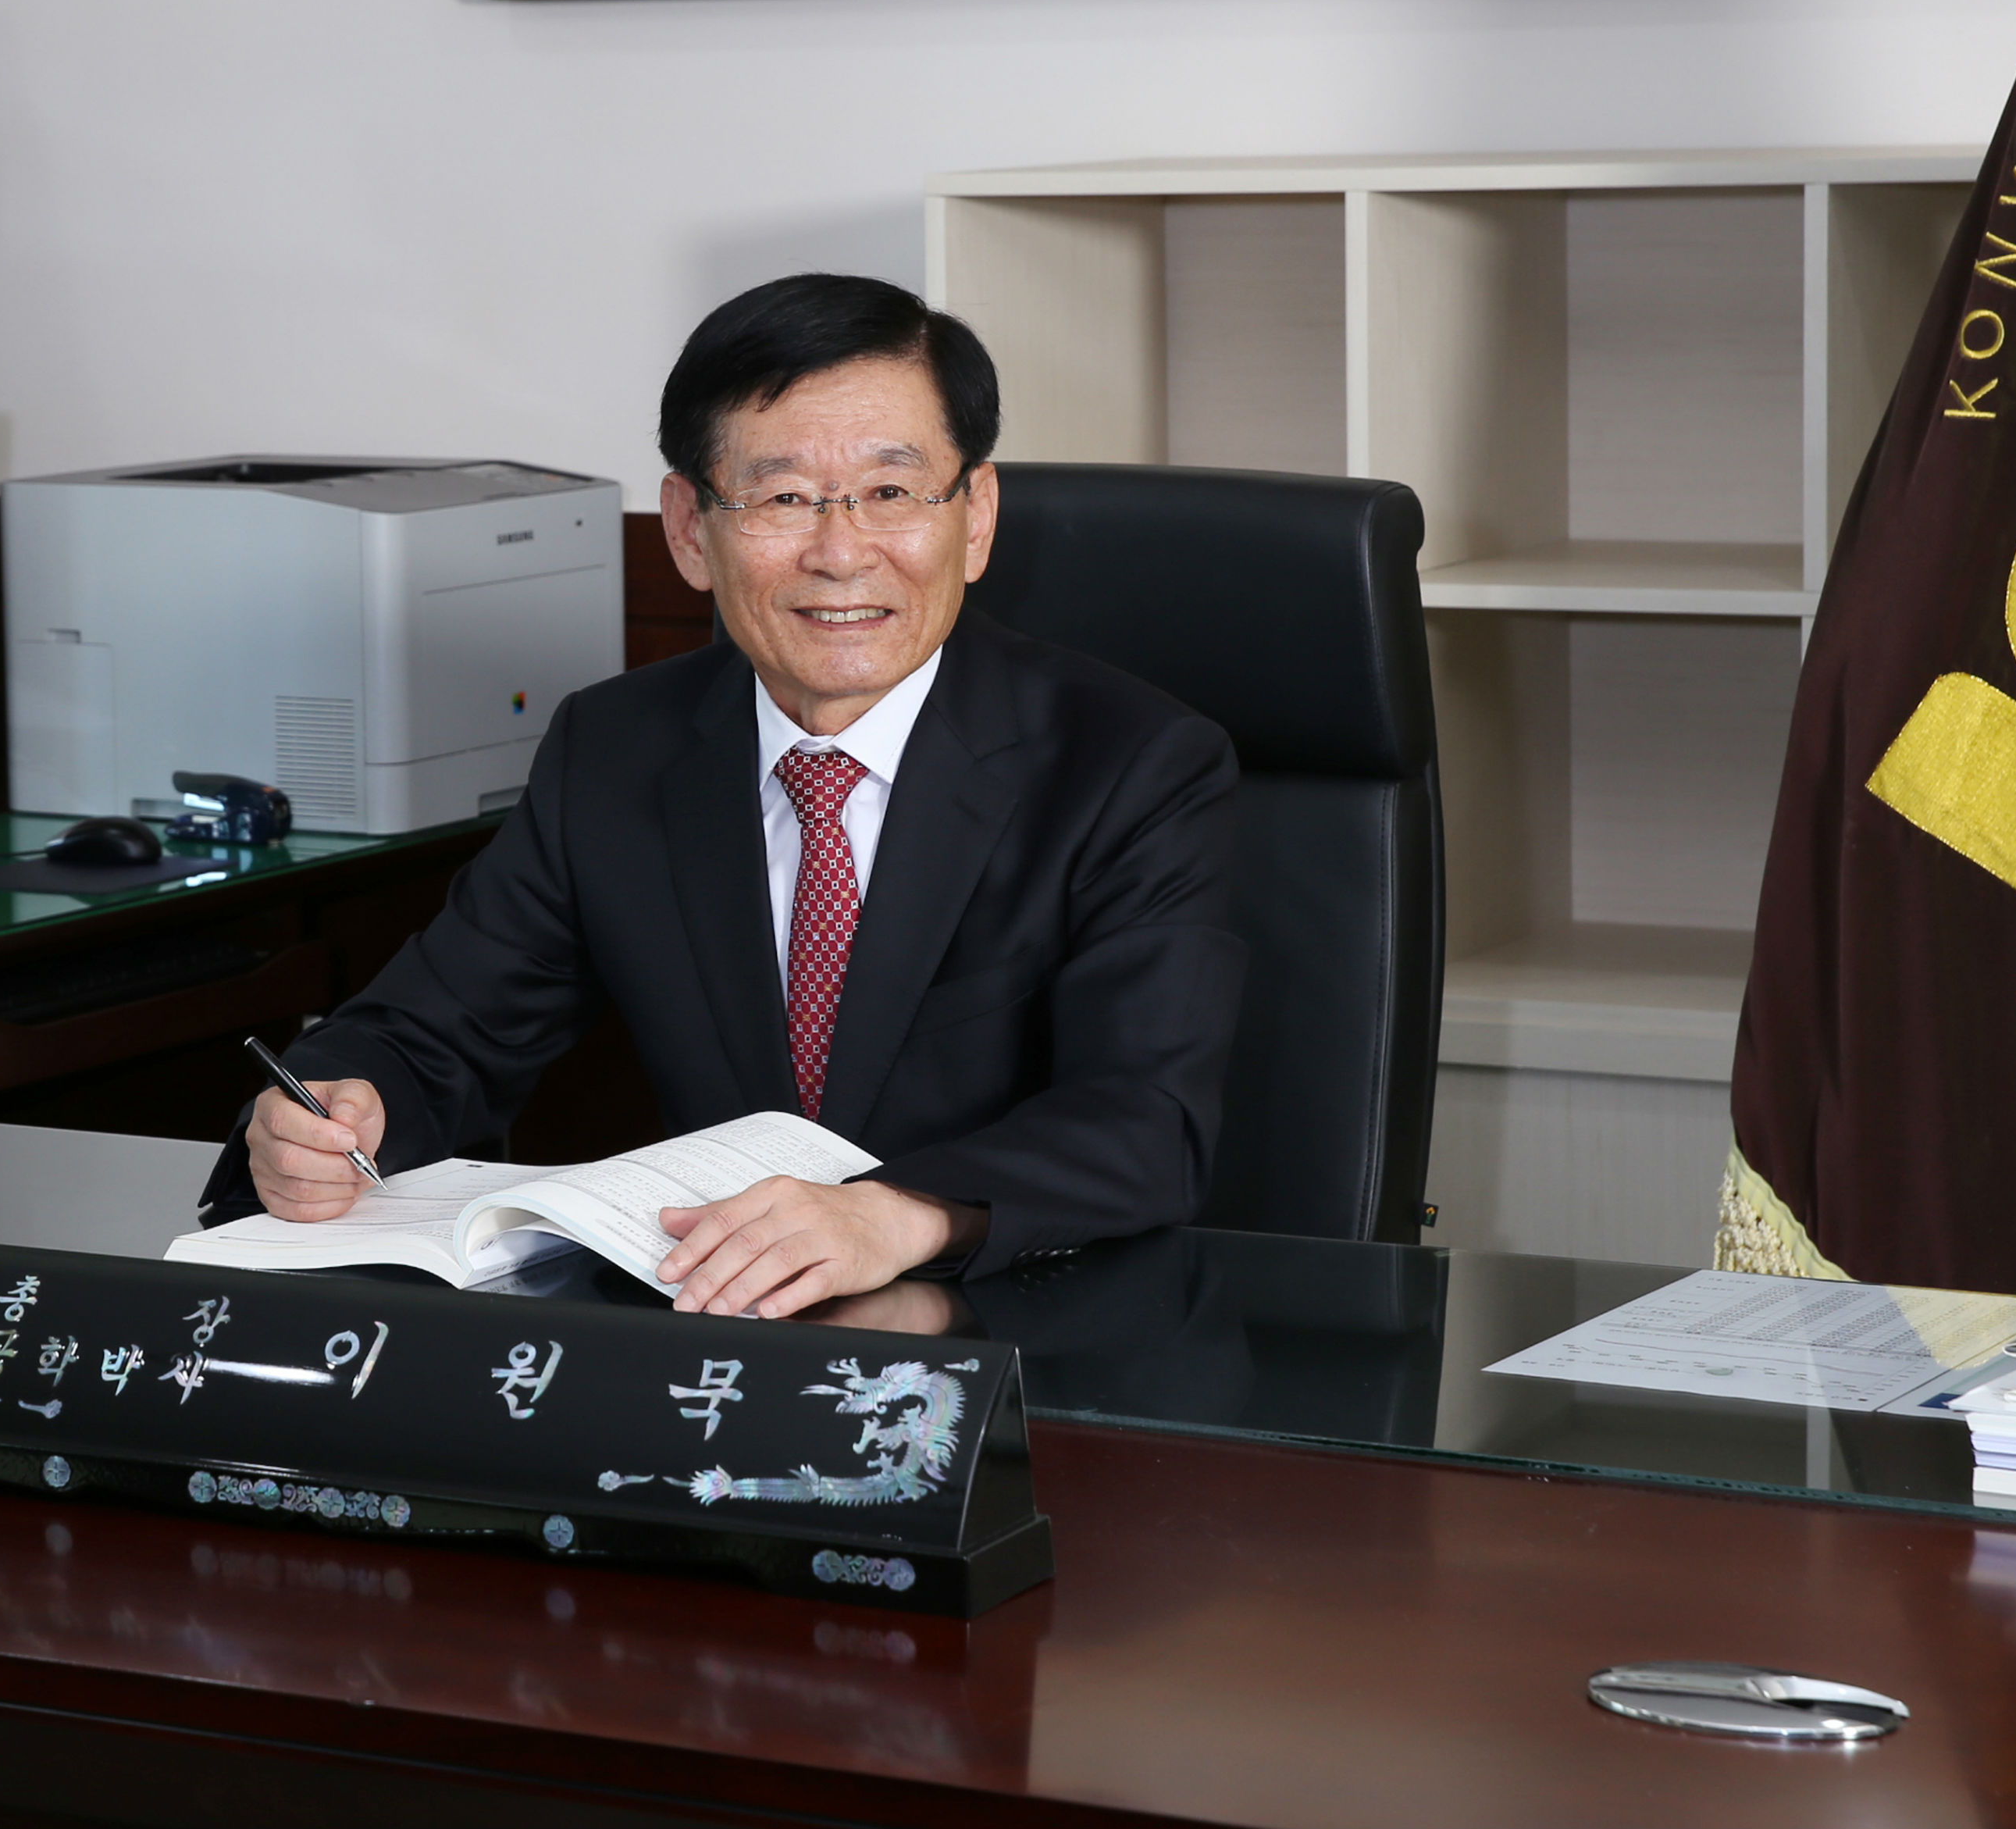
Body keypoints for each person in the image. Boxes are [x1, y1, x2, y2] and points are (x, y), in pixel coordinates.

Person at [212, 273, 1245, 1317]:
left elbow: (1146, 1119)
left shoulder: (1131, 765)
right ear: (688, 530)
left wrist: (896, 1214)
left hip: (1032, 1336)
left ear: (974, 518)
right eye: (783, 498)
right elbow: (433, 1032)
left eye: (892, 493)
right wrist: (334, 1111)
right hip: (719, 1334)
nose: (840, 553)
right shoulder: (616, 750)